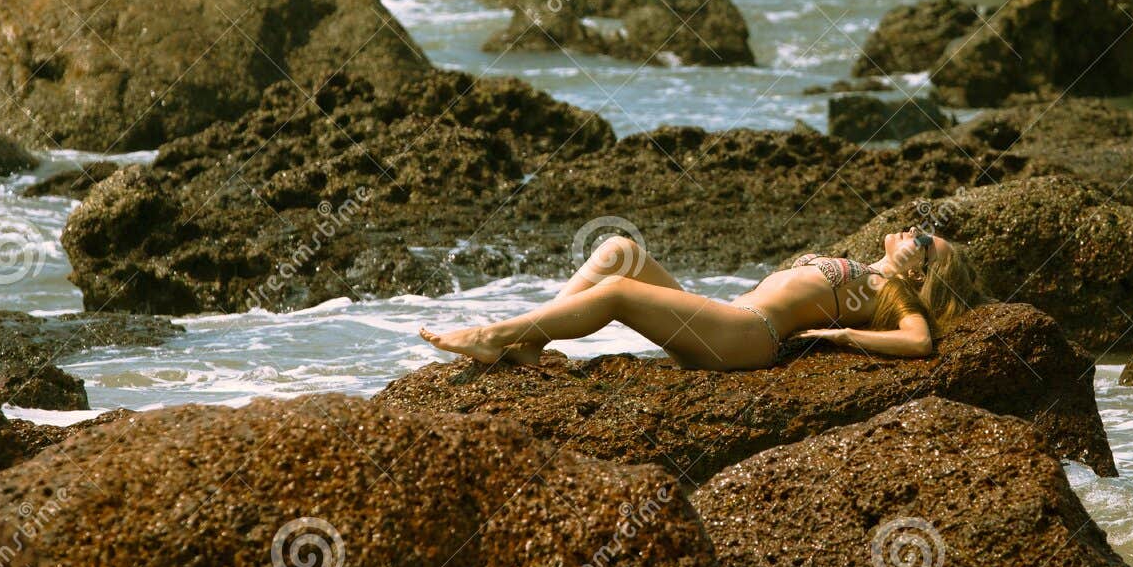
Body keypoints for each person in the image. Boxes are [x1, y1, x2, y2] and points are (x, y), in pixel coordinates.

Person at [419, 227, 979, 370]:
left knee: (615, 292)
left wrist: (843, 336)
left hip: (749, 333)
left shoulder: (891, 292)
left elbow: (920, 341)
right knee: (618, 251)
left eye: (925, 241)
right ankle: (530, 341)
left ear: (924, 267)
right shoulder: (870, 271)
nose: (914, 232)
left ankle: (498, 336)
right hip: (729, 314)